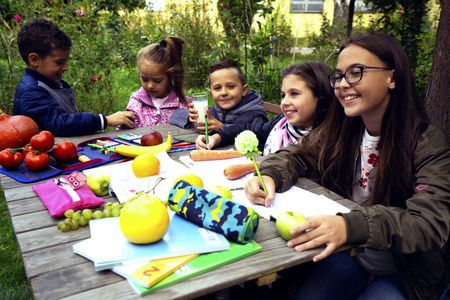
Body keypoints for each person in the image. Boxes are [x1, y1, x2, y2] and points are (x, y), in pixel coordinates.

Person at [245, 33, 450, 299]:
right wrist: (269, 175)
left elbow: (429, 223)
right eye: (339, 76)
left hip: (404, 273)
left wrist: (350, 227)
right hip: (351, 255)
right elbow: (297, 154)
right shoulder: (342, 129)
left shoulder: (429, 144)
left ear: (392, 77)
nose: (342, 85)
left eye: (356, 72)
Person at [13, 18, 135, 137]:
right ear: (35, 60)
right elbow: (59, 123)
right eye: (59, 62)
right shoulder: (31, 92)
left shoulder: (50, 83)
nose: (66, 67)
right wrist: (105, 120)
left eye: (66, 61)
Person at [195, 62, 333, 156]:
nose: (284, 102)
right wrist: (218, 137)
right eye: (283, 95)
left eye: (294, 94)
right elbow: (252, 129)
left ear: (320, 97)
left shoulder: (327, 142)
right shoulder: (281, 124)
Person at [170, 58, 268, 131]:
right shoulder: (215, 112)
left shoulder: (254, 115)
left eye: (230, 86)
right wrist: (190, 116)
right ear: (211, 94)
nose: (224, 93)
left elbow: (256, 136)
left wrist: (222, 128)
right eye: (217, 88)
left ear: (244, 90)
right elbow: (174, 115)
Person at [125, 36, 191, 128]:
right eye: (145, 79)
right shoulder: (136, 102)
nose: (150, 86)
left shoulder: (182, 103)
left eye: (157, 81)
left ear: (170, 76)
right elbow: (128, 128)